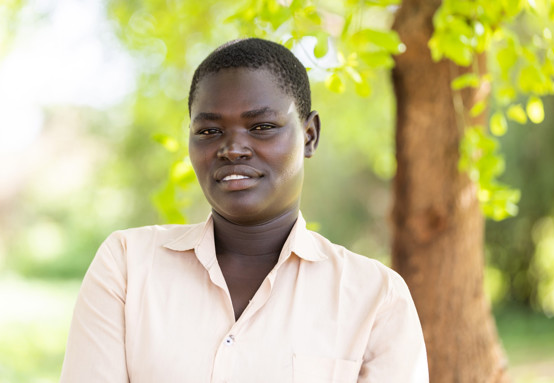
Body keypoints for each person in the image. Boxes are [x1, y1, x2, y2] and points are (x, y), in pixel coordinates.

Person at [60, 38, 428, 382]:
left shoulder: (375, 297)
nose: (233, 148)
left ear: (310, 136)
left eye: (262, 126)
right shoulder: (128, 265)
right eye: (208, 131)